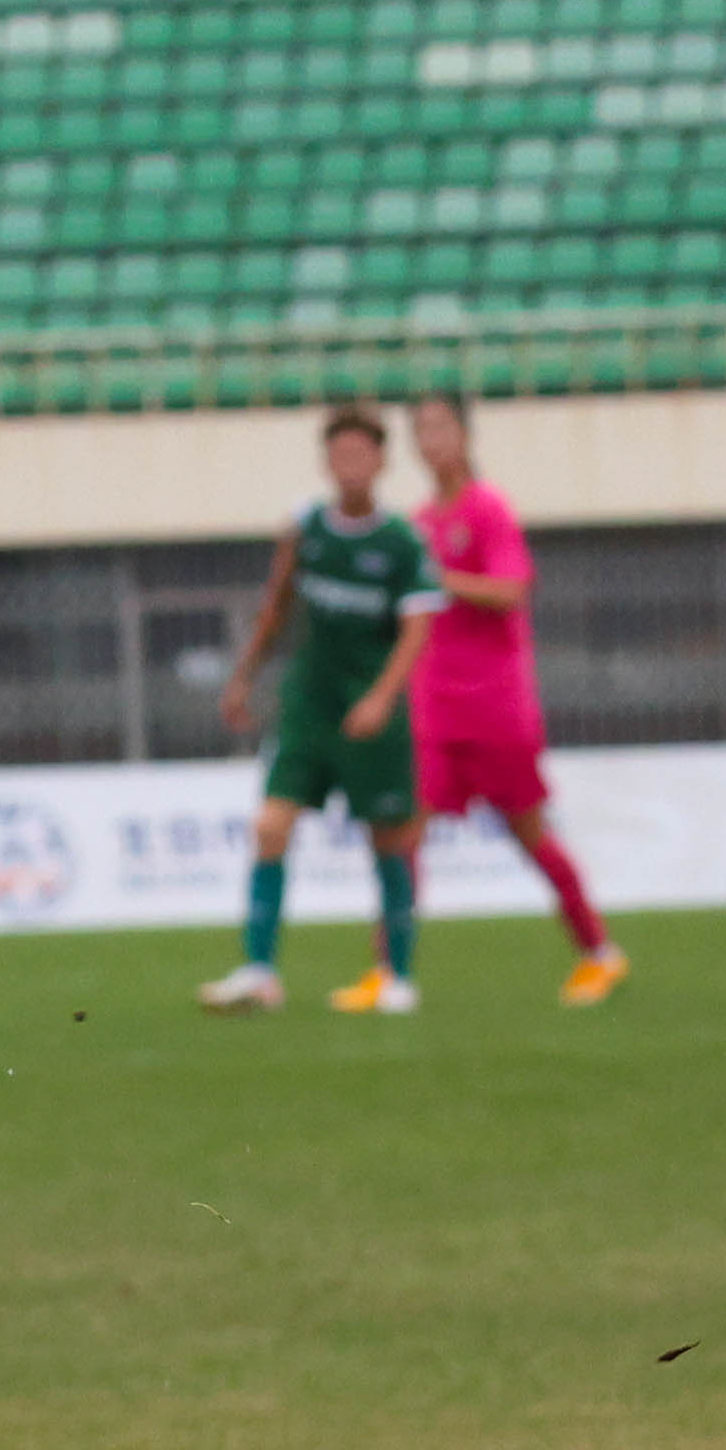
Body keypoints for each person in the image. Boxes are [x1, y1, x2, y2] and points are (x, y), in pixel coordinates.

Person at [199, 405, 442, 1017]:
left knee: (388, 842)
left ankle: (398, 975)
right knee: (270, 828)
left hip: (371, 715)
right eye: (340, 455)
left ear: (382, 462)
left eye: (362, 454)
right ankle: (259, 971)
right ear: (327, 462)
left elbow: (417, 630)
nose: (351, 465)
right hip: (308, 707)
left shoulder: (401, 543)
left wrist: (382, 697)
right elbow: (277, 605)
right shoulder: (306, 528)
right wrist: (244, 676)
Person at [401, 396, 624, 1008]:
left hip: (494, 706)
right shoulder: (417, 522)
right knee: (404, 834)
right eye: (420, 430)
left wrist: (442, 580)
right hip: (434, 708)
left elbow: (510, 591)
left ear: (466, 436)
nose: (430, 440)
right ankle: (392, 973)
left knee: (531, 835)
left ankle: (598, 952)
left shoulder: (488, 508)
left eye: (441, 427)